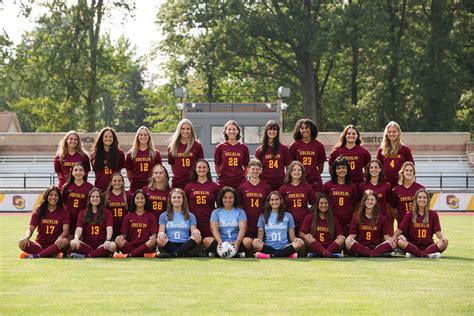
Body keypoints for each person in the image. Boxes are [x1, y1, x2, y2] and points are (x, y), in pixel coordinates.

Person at [393, 189, 448, 258]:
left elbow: (438, 232)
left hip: (428, 246)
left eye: (424, 197)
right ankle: (427, 255)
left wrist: (443, 237)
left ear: (428, 200)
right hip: (412, 246)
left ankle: (416, 254)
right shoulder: (409, 214)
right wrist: (395, 237)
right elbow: (400, 230)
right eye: (419, 197)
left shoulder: (433, 214)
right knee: (400, 242)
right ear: (416, 199)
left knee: (445, 242)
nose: (422, 199)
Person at [19, 186, 69, 258]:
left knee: (65, 241)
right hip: (40, 245)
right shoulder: (38, 210)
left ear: (59, 197)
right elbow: (31, 228)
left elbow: (66, 231)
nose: (53, 197)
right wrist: (27, 237)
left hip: (55, 244)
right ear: (46, 196)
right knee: (21, 242)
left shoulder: (63, 211)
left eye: (56, 195)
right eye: (51, 195)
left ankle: (36, 255)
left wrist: (60, 237)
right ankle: (52, 254)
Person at [203, 186, 253, 257]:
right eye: (225, 197)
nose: (228, 200)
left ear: (234, 199)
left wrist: (238, 242)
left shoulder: (240, 212)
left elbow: (243, 228)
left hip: (235, 242)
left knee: (249, 241)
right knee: (206, 241)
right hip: (221, 242)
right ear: (221, 198)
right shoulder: (216, 212)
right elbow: (213, 228)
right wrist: (220, 242)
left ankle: (219, 254)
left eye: (230, 197)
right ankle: (236, 255)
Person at [345, 190, 396, 257]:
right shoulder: (357, 216)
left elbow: (386, 237)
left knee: (394, 243)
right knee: (348, 241)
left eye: (372, 200)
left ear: (375, 201)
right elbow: (352, 235)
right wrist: (348, 239)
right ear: (364, 201)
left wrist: (392, 240)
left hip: (376, 247)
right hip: (361, 246)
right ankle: (375, 254)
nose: (369, 201)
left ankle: (367, 253)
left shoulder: (382, 218)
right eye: (367, 199)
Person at [253, 191, 304, 259]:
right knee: (255, 244)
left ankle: (270, 256)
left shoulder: (288, 216)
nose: (274, 201)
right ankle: (285, 254)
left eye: (277, 199)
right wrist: (257, 240)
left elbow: (292, 238)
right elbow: (260, 237)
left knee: (301, 243)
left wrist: (297, 240)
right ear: (268, 202)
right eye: (272, 200)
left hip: (284, 246)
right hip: (268, 246)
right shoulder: (263, 217)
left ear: (281, 201)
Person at [69, 188, 116, 258]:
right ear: (89, 198)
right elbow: (79, 229)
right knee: (72, 242)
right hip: (87, 245)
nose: (95, 198)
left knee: (112, 246)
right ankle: (98, 254)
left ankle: (86, 256)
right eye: (93, 196)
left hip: (102, 244)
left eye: (97, 196)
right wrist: (76, 238)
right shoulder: (83, 213)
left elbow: (109, 228)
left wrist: (108, 240)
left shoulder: (107, 212)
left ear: (101, 198)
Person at [156, 188, 202, 258]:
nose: (176, 199)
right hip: (169, 243)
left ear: (183, 199)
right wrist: (161, 234)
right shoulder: (164, 215)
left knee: (198, 237)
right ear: (170, 199)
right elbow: (161, 232)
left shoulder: (190, 215)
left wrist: (196, 231)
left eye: (179, 197)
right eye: (174, 197)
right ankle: (184, 254)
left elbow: (193, 231)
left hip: (185, 244)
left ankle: (172, 255)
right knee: (159, 239)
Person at [113, 190, 157, 258]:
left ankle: (129, 255)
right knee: (118, 240)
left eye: (142, 198)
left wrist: (153, 237)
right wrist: (120, 237)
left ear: (145, 200)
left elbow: (154, 234)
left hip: (146, 245)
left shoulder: (151, 216)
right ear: (133, 200)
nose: (140, 200)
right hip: (131, 245)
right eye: (137, 198)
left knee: (152, 241)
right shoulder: (128, 216)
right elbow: (124, 234)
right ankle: (142, 255)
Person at [299, 194, 345, 258]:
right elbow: (300, 233)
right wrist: (305, 235)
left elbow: (339, 235)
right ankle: (327, 254)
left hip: (330, 246)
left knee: (342, 239)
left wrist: (340, 236)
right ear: (317, 205)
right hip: (315, 246)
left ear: (329, 205)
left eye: (326, 203)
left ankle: (323, 253)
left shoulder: (334, 219)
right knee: (308, 238)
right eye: (321, 203)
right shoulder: (310, 217)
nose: (323, 205)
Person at [184, 159, 220, 238]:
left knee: (208, 242)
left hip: (209, 220)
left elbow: (219, 206)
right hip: (193, 221)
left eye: (204, 167)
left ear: (208, 169)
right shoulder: (189, 186)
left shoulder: (215, 186)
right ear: (195, 169)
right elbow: (184, 205)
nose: (201, 169)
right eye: (199, 167)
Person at [289, 119, 326, 193]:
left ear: (311, 129)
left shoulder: (319, 146)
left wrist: (313, 176)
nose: (304, 130)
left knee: (317, 201)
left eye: (307, 128)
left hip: (314, 180)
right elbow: (290, 166)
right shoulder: (294, 145)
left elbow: (321, 167)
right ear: (298, 130)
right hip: (299, 180)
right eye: (302, 128)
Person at [323, 157, 358, 236]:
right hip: (331, 221)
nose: (341, 170)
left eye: (343, 168)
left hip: (347, 222)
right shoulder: (327, 185)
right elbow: (324, 204)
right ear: (334, 170)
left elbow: (355, 204)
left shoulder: (352, 186)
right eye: (338, 168)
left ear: (347, 169)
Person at [279, 161, 316, 234]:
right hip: (288, 222)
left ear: (302, 172)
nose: (297, 172)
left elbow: (314, 203)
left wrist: (308, 216)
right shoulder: (284, 188)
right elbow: (279, 206)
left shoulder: (307, 187)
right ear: (290, 172)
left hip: (303, 221)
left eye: (299, 170)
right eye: (294, 170)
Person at [237, 159, 271, 238]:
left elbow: (269, 206)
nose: (255, 171)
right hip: (247, 220)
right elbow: (239, 206)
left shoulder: (266, 187)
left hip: (262, 220)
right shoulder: (242, 187)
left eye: (257, 169)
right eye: (253, 169)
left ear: (261, 170)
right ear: (249, 169)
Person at [255, 120, 292, 190]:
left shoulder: (284, 148)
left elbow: (288, 168)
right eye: (270, 129)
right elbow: (255, 169)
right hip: (265, 183)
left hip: (280, 183)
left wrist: (287, 182)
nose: (272, 131)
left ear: (277, 132)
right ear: (266, 131)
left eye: (274, 129)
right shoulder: (260, 150)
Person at [168, 119, 204, 189]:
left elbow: (201, 164)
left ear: (191, 130)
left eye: (188, 129)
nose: (185, 131)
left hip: (193, 181)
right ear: (179, 130)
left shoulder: (197, 146)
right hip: (178, 181)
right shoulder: (172, 147)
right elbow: (172, 165)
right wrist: (179, 175)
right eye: (183, 128)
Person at [359, 159, 393, 233]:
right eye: (371, 167)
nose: (373, 169)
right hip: (367, 220)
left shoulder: (387, 186)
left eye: (376, 167)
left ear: (380, 169)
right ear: (368, 170)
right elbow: (360, 204)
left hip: (382, 219)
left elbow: (388, 204)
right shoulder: (362, 186)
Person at [376, 121, 414, 188]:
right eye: (389, 132)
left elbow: (411, 167)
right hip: (385, 184)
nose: (391, 134)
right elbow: (377, 167)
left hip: (400, 184)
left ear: (398, 133)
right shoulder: (381, 150)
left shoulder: (405, 149)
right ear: (386, 133)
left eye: (394, 131)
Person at [214, 120, 250, 190]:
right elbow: (217, 165)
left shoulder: (243, 147)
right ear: (225, 131)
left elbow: (246, 166)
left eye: (234, 129)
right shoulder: (220, 147)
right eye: (229, 129)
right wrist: (221, 176)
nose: (232, 131)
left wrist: (242, 176)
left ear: (238, 131)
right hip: (224, 181)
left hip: (239, 181)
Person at [61, 162, 94, 238]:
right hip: (69, 219)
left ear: (84, 172)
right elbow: (63, 203)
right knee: (68, 241)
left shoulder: (90, 187)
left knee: (81, 241)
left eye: (80, 170)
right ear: (72, 172)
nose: (78, 172)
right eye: (75, 170)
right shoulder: (66, 187)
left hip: (84, 219)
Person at [125, 126, 162, 192]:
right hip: (135, 186)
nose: (143, 137)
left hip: (151, 185)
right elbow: (129, 171)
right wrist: (133, 182)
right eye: (141, 135)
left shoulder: (155, 153)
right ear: (137, 137)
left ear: (149, 137)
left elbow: (160, 170)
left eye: (145, 135)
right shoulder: (131, 154)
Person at [90, 127, 125, 192]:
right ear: (101, 138)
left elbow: (118, 172)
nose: (108, 138)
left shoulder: (120, 153)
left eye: (110, 137)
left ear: (113, 138)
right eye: (105, 136)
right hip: (100, 189)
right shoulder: (94, 154)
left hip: (114, 189)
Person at [104, 172, 131, 239]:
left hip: (123, 226)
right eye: (114, 181)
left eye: (119, 181)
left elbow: (131, 212)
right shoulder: (105, 195)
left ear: (122, 182)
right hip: (109, 226)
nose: (117, 183)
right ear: (111, 182)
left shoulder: (128, 195)